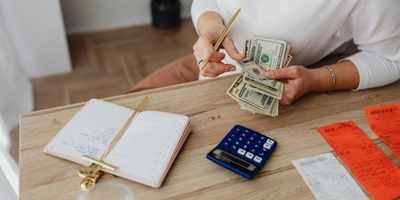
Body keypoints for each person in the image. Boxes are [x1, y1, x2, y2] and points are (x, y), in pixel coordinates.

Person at [130, 0, 400, 105]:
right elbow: (209, 1)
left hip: (261, 96)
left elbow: (391, 59)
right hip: (207, 64)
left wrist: (316, 80)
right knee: (121, 109)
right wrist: (210, 28)